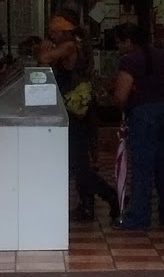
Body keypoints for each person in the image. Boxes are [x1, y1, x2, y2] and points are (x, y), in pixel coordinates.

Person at [41, 15, 120, 224]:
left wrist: (45, 48)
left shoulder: (68, 46)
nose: (51, 35)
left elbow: (45, 59)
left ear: (63, 32)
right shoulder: (78, 44)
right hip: (81, 109)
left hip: (75, 110)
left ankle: (112, 196)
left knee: (78, 165)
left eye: (53, 32)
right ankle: (86, 207)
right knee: (79, 162)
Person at [112, 22, 164, 230]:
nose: (118, 47)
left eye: (119, 42)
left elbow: (121, 95)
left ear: (129, 42)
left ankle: (138, 217)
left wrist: (119, 102)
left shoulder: (129, 60)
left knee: (143, 168)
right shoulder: (161, 55)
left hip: (144, 114)